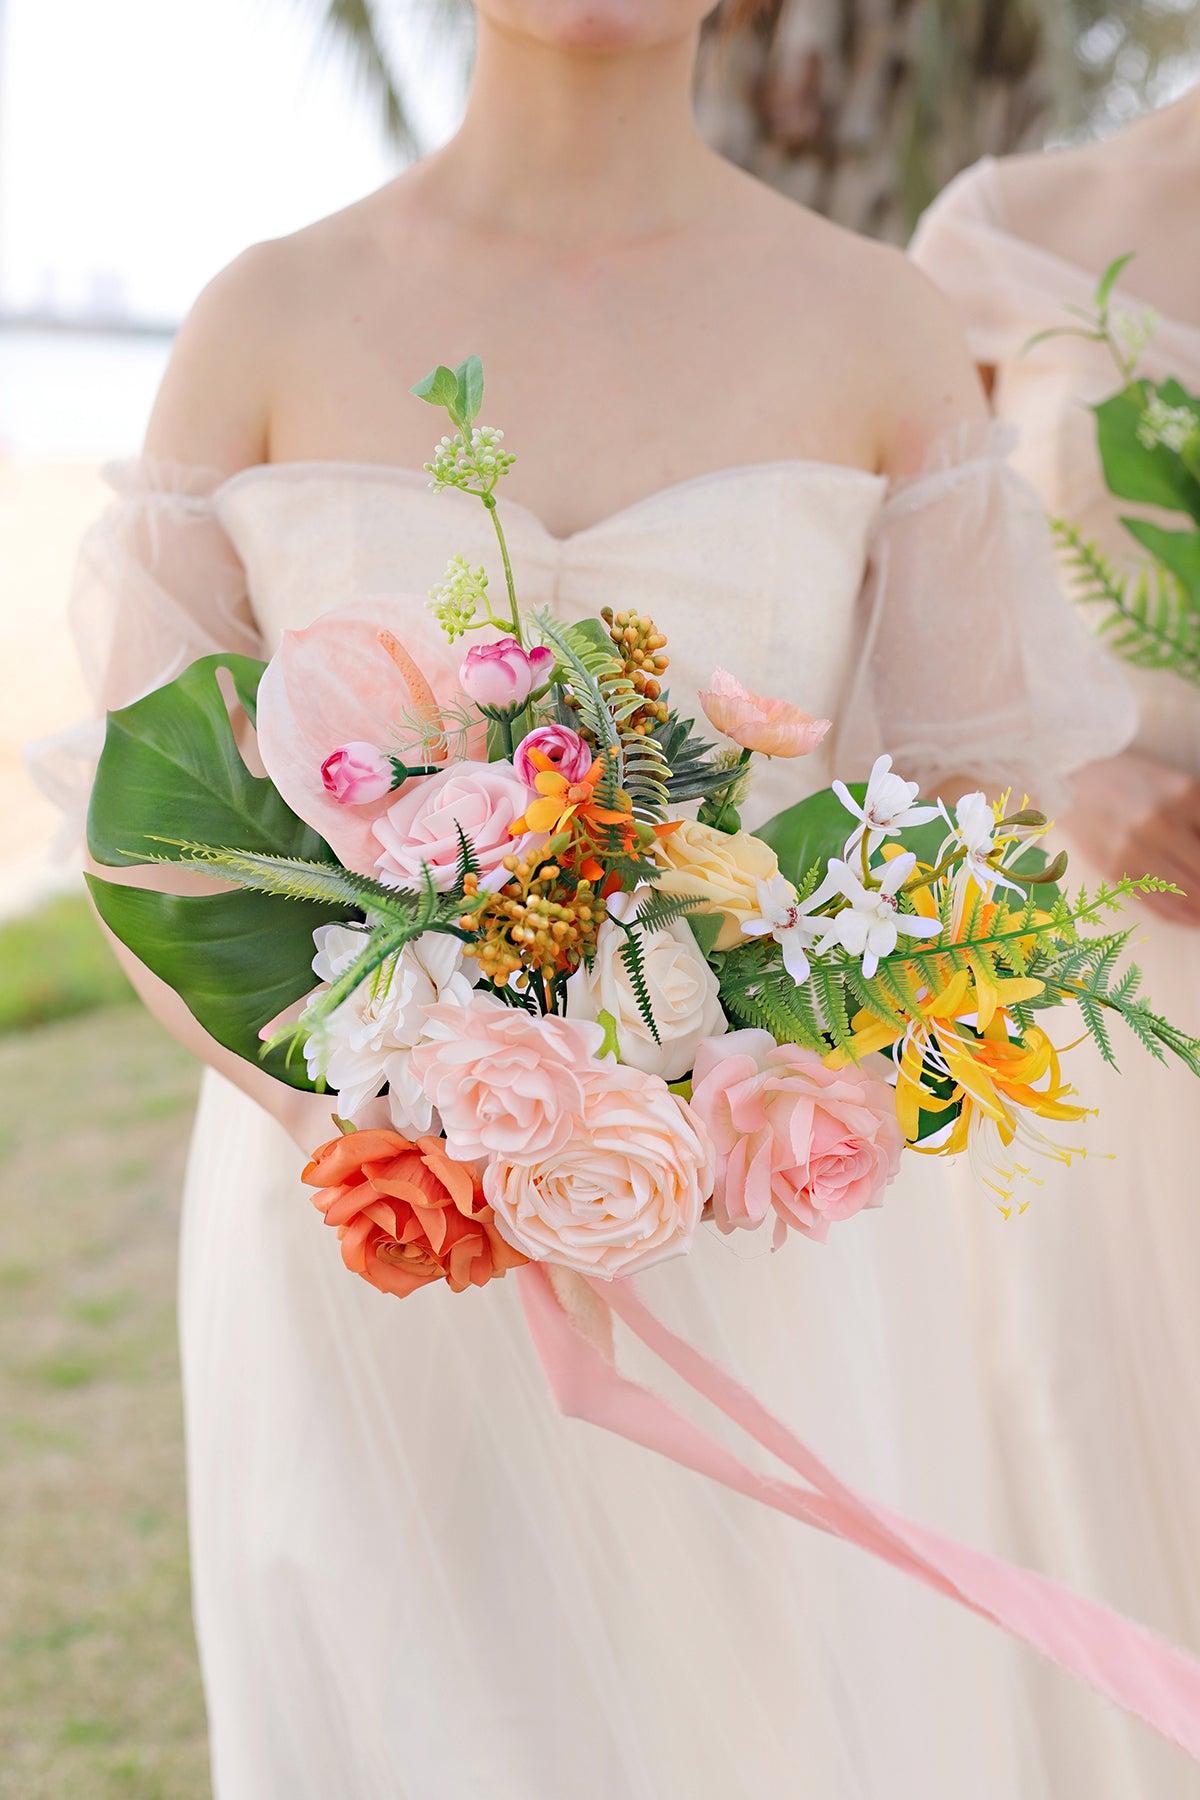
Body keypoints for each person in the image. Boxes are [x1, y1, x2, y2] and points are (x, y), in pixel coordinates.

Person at [69, 4, 1138, 1794]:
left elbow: (975, 817)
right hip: (372, 1249)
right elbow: (149, 834)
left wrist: (760, 1100)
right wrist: (414, 1128)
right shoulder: (267, 312)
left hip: (757, 1255)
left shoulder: (874, 317)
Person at [911, 84, 1200, 1800]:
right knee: (1098, 1434)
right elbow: (908, 592)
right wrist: (1079, 770)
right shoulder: (1014, 221)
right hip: (1094, 975)